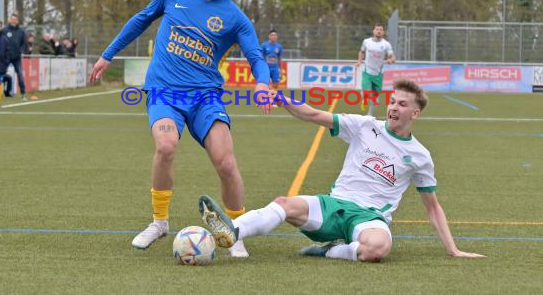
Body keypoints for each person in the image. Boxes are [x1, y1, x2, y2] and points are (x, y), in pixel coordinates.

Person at [89, 0, 272, 257]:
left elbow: (255, 55)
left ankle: (237, 230)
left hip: (205, 97)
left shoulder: (235, 17)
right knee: (166, 145)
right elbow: (141, 20)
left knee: (226, 163)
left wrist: (263, 83)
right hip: (164, 92)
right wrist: (108, 54)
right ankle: (160, 222)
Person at [199, 79, 485, 262]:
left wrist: (453, 249)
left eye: (402, 104)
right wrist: (281, 98)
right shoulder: (364, 125)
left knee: (378, 248)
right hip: (334, 205)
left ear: (415, 113)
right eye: (393, 101)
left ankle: (332, 251)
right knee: (284, 204)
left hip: (370, 217)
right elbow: (313, 114)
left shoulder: (420, 156)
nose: (394, 107)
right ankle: (233, 231)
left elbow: (432, 208)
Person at [356, 22, 395, 116]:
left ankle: (370, 115)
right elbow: (362, 52)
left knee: (375, 97)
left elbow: (392, 56)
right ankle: (364, 99)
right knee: (366, 93)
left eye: (381, 30)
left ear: (383, 32)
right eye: (377, 29)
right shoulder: (366, 41)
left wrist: (391, 60)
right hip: (367, 72)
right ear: (374, 31)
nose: (379, 31)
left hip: (378, 74)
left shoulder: (386, 44)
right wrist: (359, 61)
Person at [2, 14, 27, 101]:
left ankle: (23, 95)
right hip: (6, 57)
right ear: (10, 20)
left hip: (17, 57)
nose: (13, 21)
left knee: (20, 75)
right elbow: (1, 41)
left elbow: (24, 44)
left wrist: (21, 51)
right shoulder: (4, 30)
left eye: (15, 19)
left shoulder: (21, 32)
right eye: (12, 19)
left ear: (17, 21)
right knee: (0, 73)